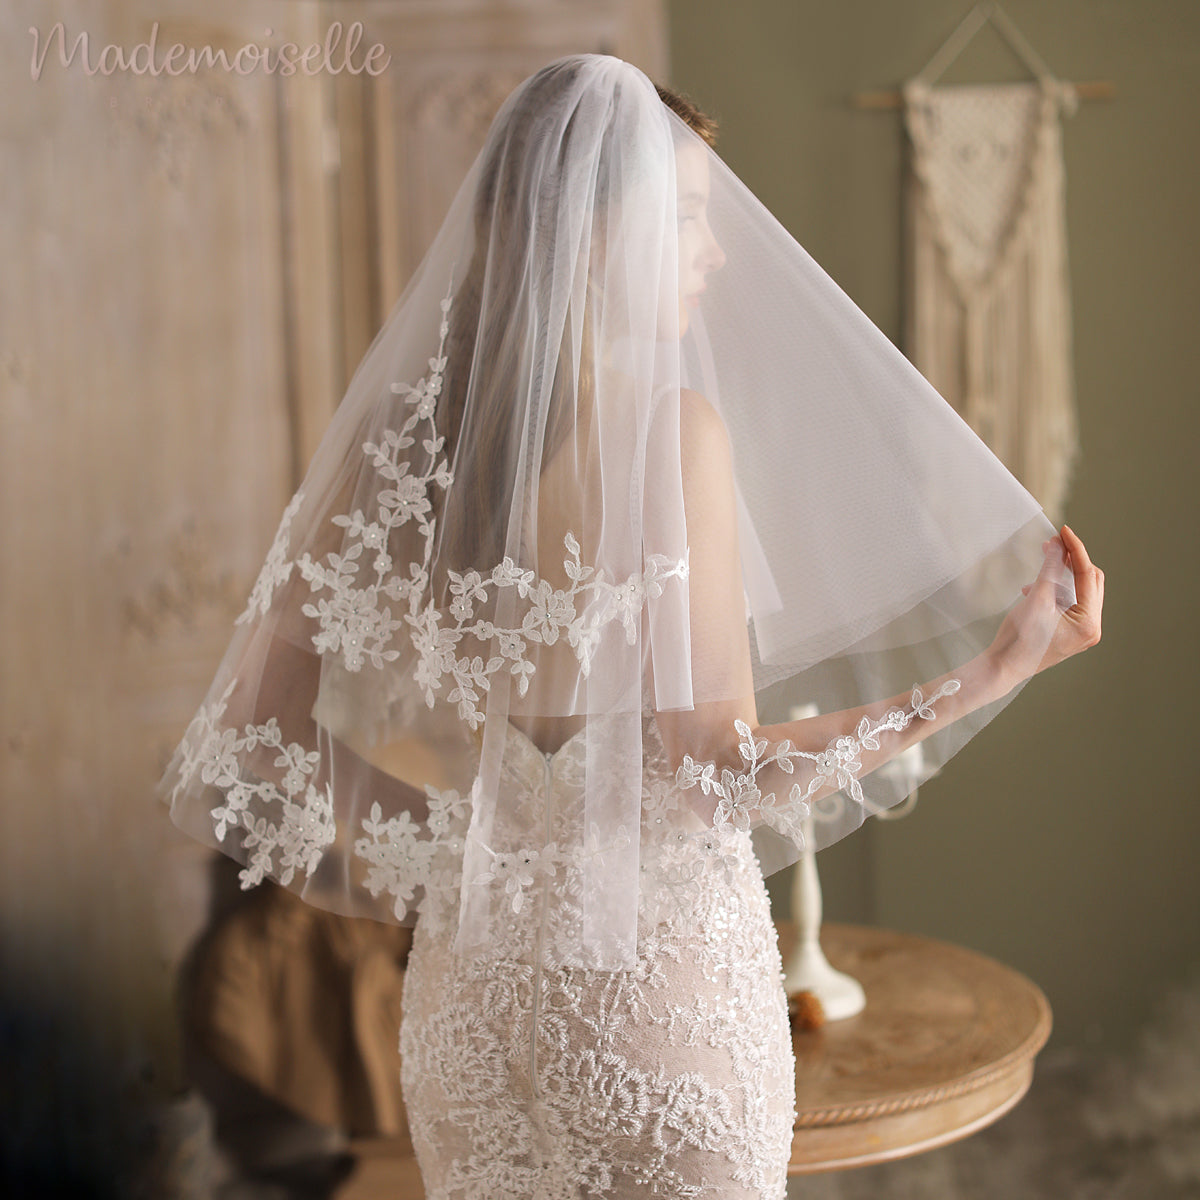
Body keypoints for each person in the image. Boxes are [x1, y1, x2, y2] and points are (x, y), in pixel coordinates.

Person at [159, 55, 1103, 1197]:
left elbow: (253, 738)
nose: (713, 253)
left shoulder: (403, 449)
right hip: (652, 1007)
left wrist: (466, 851)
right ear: (597, 234)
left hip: (470, 1012)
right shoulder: (672, 433)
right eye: (692, 220)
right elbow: (717, 768)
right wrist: (992, 671)